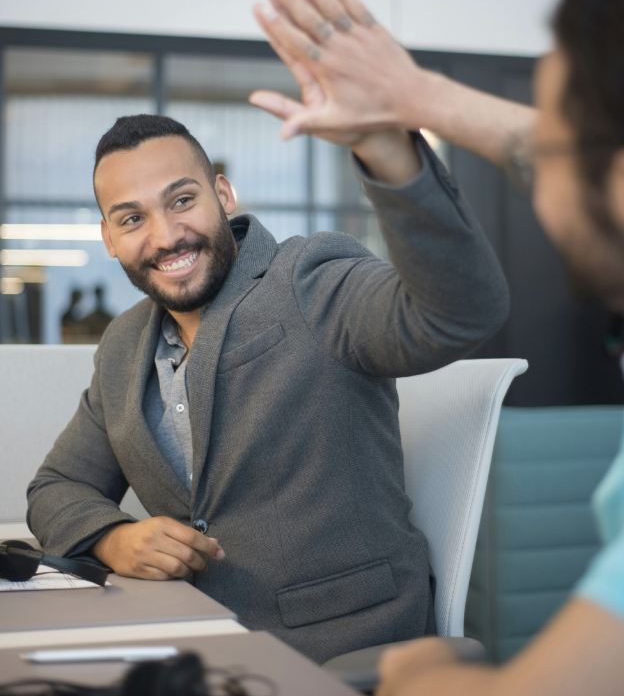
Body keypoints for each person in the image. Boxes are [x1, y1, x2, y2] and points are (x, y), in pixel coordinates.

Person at [247, 0, 624, 696]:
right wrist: (409, 102)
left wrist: (418, 677)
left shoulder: (309, 284)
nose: (526, 162)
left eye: (544, 154)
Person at [27, 100, 508, 662]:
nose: (166, 236)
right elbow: (56, 488)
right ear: (109, 238)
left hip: (342, 650)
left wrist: (392, 157)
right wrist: (114, 538)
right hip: (198, 647)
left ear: (223, 197)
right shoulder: (123, 346)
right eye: (132, 219)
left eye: (183, 200)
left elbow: (461, 312)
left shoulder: (311, 277)